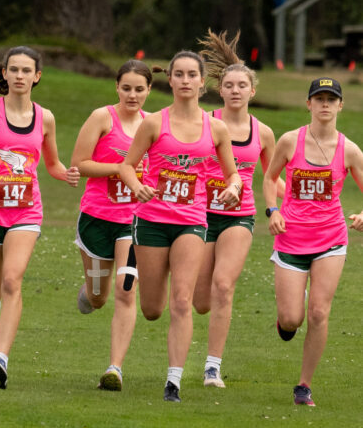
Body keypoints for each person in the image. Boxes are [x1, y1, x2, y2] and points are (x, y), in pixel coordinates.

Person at [0, 46, 80, 389]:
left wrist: (66, 174)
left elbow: (50, 163)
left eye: (27, 70)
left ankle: (2, 359)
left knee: (13, 280)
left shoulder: (45, 117)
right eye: (14, 70)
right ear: (3, 74)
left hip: (26, 212)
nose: (20, 76)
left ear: (37, 76)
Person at [119, 50, 241, 402]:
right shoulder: (154, 123)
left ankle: (174, 380)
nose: (186, 81)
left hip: (191, 222)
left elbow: (231, 173)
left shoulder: (215, 128)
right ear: (169, 80)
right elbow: (128, 166)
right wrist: (137, 185)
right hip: (152, 221)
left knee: (182, 301)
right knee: (152, 308)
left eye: (192, 75)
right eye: (179, 75)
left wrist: (233, 187)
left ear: (203, 82)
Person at [191, 30, 284, 388]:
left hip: (239, 217)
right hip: (199, 215)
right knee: (201, 301)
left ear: (252, 91)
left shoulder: (263, 133)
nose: (234, 90)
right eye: (228, 84)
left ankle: (212, 366)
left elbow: (271, 176)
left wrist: (286, 206)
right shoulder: (204, 121)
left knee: (223, 286)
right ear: (220, 88)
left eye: (241, 85)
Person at [263, 77, 363, 407]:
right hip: (291, 238)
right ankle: (288, 315)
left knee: (319, 312)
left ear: (339, 106)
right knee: (293, 319)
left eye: (330, 99)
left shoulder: (349, 150)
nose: (324, 104)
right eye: (318, 98)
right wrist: (273, 210)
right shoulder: (291, 142)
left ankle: (304, 385)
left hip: (331, 239)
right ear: (308, 104)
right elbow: (269, 178)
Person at [70, 60, 151, 391]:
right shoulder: (102, 118)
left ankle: (114, 368)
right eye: (127, 88)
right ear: (117, 87)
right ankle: (89, 293)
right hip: (97, 218)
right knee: (100, 297)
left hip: (133, 222)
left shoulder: (153, 125)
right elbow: (79, 164)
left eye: (139, 89)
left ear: (149, 90)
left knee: (125, 291)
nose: (133, 95)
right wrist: (120, 170)